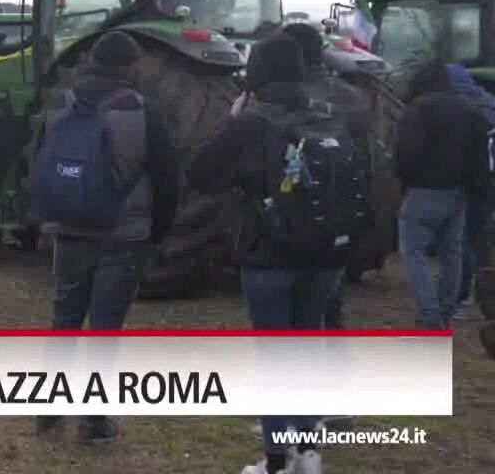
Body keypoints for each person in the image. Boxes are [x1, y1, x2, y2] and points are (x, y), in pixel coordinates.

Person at [190, 34, 366, 474]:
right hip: (327, 257)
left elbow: (200, 175)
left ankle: (274, 461)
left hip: (270, 257)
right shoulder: (329, 117)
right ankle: (307, 453)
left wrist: (230, 121)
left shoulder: (250, 123)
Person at [28, 31, 177, 445]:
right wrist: (155, 235)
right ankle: (93, 422)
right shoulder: (142, 112)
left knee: (65, 320)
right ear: (131, 66)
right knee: (105, 329)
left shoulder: (62, 104)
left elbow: (41, 165)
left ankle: (49, 408)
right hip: (124, 237)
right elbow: (168, 182)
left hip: (70, 232)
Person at [282, 23, 373, 333]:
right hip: (341, 203)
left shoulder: (286, 99)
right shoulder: (352, 96)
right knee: (330, 291)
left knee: (300, 299)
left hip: (299, 205)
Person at [395, 59, 489, 329]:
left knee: (413, 252)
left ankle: (430, 313)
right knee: (452, 253)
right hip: (458, 193)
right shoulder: (469, 109)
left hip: (422, 191)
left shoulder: (418, 109)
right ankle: (446, 309)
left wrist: (404, 180)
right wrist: (475, 187)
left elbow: (407, 152)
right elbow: (480, 156)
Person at [445, 63, 495, 318]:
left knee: (465, 239)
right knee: (478, 240)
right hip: (488, 182)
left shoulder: (465, 109)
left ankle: (464, 296)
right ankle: (477, 292)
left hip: (477, 182)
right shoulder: (488, 102)